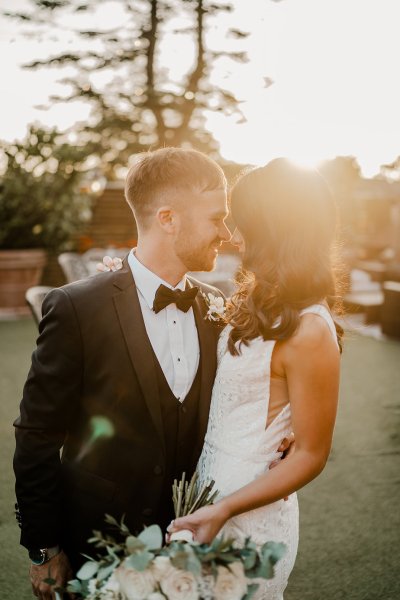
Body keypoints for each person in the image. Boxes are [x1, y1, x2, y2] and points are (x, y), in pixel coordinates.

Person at [13, 147, 294, 599]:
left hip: (198, 545)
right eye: (215, 218)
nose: (225, 233)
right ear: (167, 218)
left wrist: (280, 433)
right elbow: (36, 436)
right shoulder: (76, 307)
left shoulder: (219, 309)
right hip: (98, 545)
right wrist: (43, 550)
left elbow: (244, 393)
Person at [168, 158, 342, 599]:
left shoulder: (311, 329)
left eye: (240, 221)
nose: (231, 234)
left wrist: (224, 509)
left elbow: (311, 454)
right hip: (208, 488)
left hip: (249, 511)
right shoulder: (254, 300)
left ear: (273, 230)